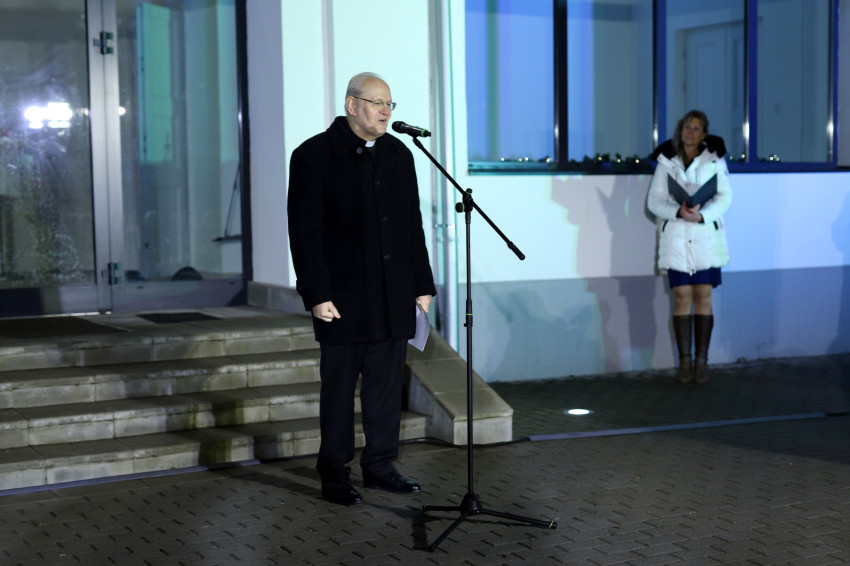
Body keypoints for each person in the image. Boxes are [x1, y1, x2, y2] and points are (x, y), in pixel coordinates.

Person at [287, 72, 436, 506]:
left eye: (390, 104)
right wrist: (316, 294)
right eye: (377, 103)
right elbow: (305, 233)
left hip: (393, 294)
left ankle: (381, 467)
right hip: (342, 298)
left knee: (386, 389)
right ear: (352, 105)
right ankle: (334, 473)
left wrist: (422, 284)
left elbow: (412, 226)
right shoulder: (313, 155)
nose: (386, 111)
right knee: (338, 393)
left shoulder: (398, 153)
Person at [647, 110, 731, 384]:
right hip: (677, 239)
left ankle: (701, 363)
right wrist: (677, 212)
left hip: (705, 239)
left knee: (703, 297)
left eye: (696, 128)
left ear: (704, 134)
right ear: (680, 130)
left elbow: (725, 196)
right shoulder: (666, 162)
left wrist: (702, 215)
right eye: (686, 127)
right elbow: (654, 201)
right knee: (682, 296)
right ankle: (684, 363)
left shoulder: (715, 160)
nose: (690, 132)